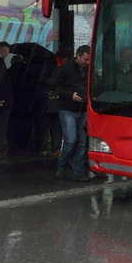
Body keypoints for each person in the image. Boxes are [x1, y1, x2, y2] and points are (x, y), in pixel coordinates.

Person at [53, 44, 91, 181]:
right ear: (78, 56)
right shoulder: (65, 69)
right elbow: (55, 86)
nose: (87, 62)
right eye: (85, 59)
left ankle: (75, 171)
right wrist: (70, 95)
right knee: (71, 140)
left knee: (79, 142)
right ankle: (64, 166)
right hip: (68, 108)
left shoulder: (86, 70)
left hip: (80, 108)